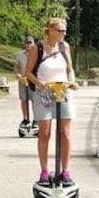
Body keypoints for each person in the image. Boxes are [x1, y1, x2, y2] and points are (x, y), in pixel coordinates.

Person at [25, 17, 76, 185]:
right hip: (44, 93)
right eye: (61, 30)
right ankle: (44, 171)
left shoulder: (64, 47)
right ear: (50, 31)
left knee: (65, 133)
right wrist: (40, 84)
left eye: (64, 31)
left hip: (62, 92)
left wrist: (72, 81)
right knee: (45, 133)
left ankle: (65, 171)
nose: (64, 33)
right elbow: (28, 73)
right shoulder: (36, 48)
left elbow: (69, 69)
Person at [13, 35, 36, 127]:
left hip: (34, 80)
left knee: (35, 100)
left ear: (33, 44)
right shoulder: (20, 54)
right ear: (25, 44)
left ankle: (36, 119)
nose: (29, 45)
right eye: (27, 43)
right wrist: (18, 75)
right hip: (23, 80)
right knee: (24, 100)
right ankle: (25, 118)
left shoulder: (37, 54)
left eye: (30, 43)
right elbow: (17, 66)